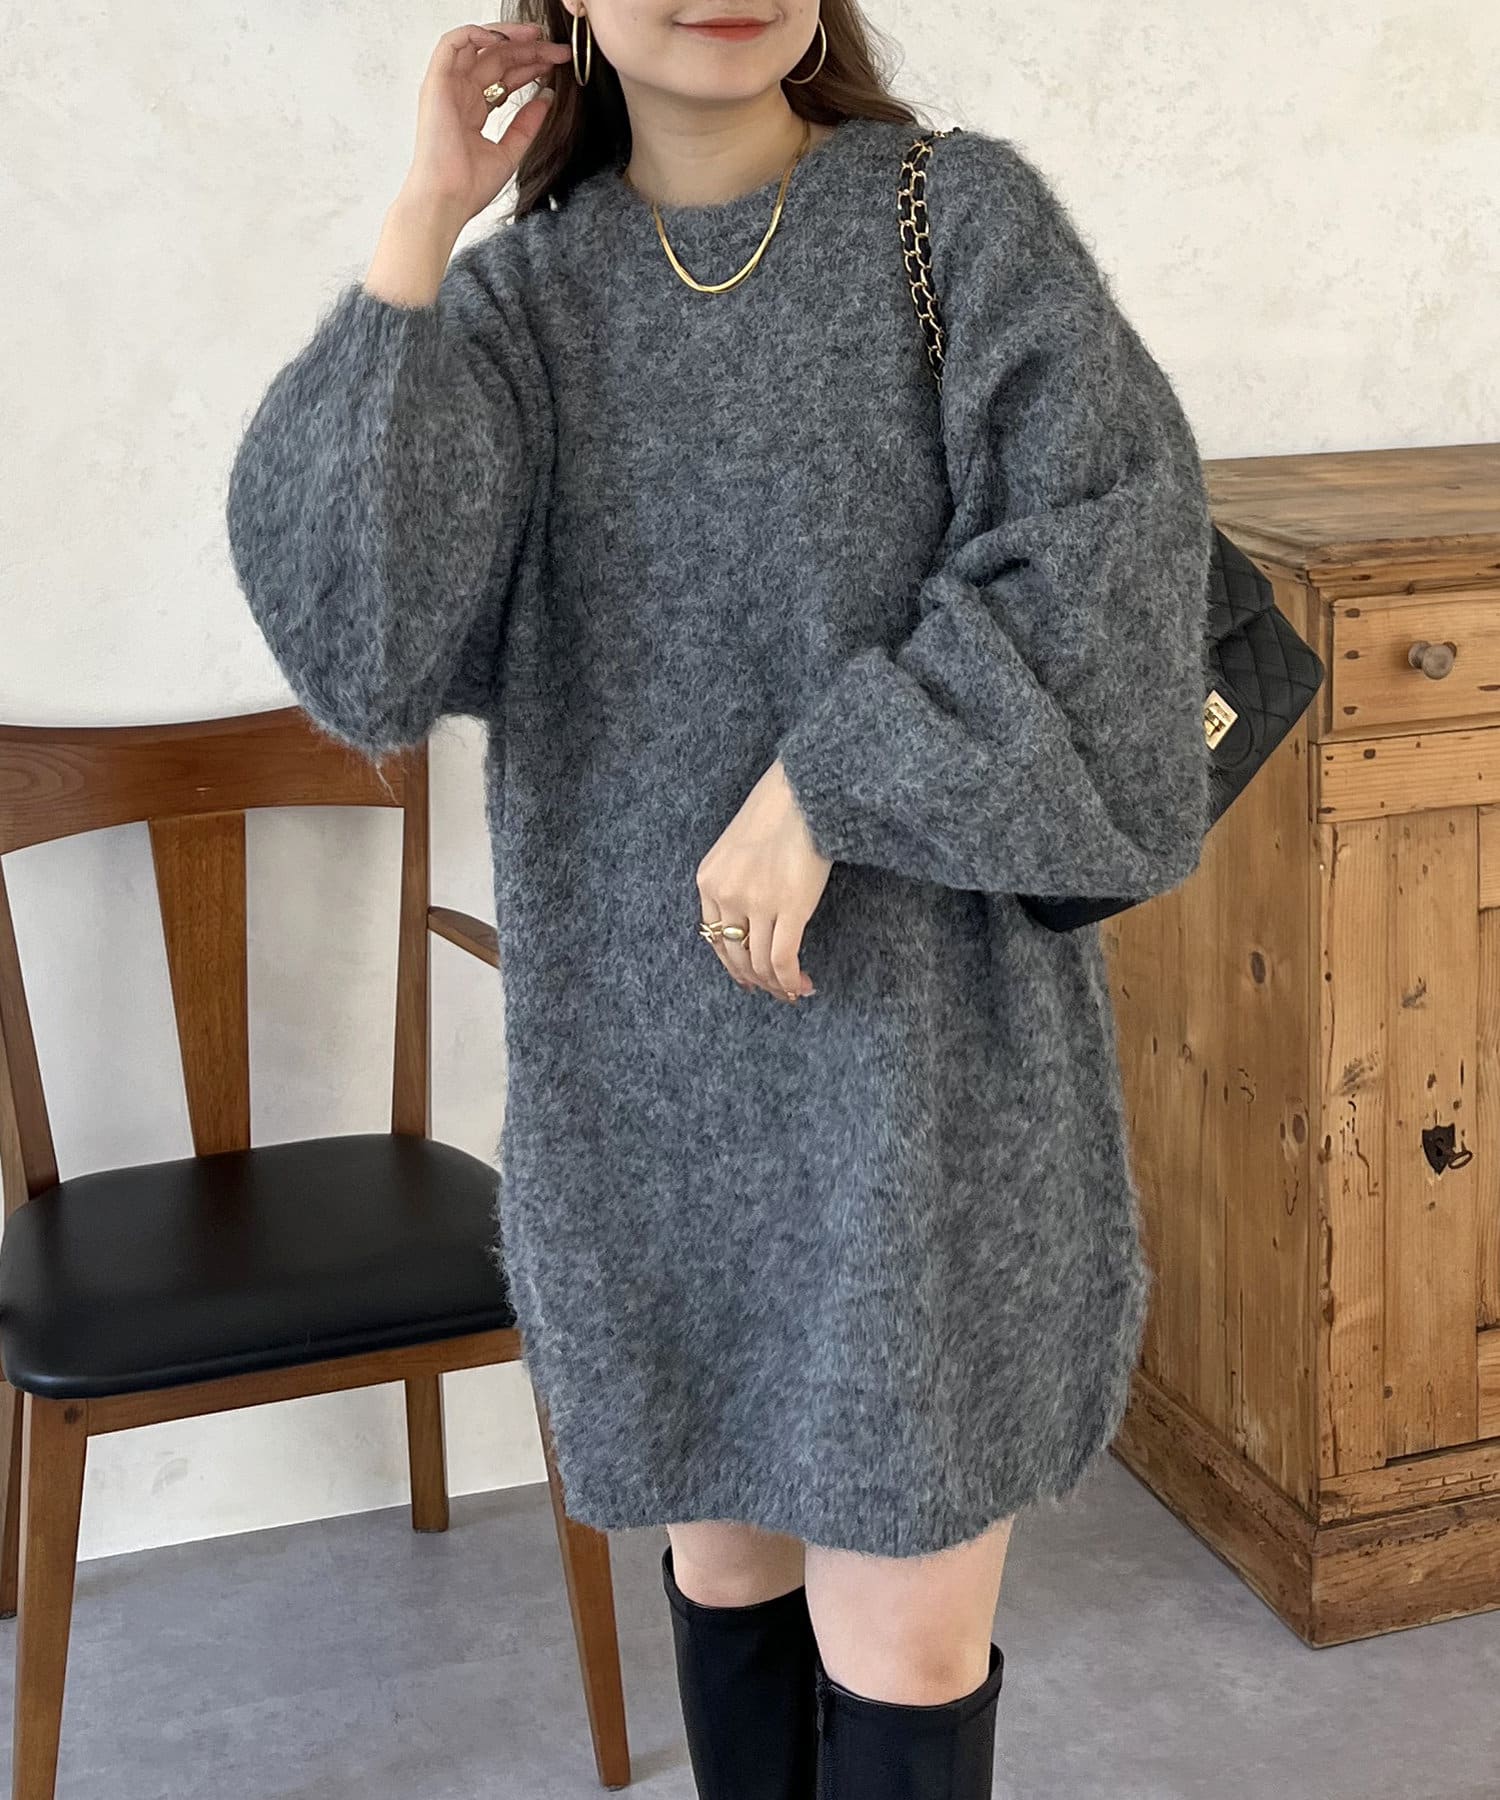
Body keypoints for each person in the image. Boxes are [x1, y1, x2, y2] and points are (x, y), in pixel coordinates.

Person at [224, 5, 1214, 1795]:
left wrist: (835, 776)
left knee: (902, 1645)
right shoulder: (520, 311)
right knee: (729, 1568)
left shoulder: (953, 223)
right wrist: (425, 216)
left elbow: (1111, 559)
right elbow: (359, 642)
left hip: (924, 1078)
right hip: (649, 1083)